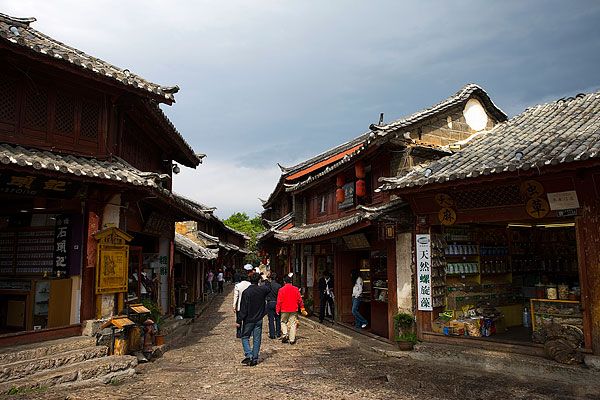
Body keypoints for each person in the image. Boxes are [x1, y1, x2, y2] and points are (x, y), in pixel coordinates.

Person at [236, 272, 270, 366]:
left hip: (249, 319)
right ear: (259, 280)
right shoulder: (262, 290)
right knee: (257, 338)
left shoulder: (247, 292)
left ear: (249, 280)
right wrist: (265, 279)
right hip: (259, 318)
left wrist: (239, 320)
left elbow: (243, 308)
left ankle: (249, 354)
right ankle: (255, 358)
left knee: (245, 337)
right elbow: (269, 287)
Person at [276, 273, 307, 345]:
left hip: (284, 309)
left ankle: (285, 333)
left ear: (284, 282)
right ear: (291, 282)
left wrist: (277, 309)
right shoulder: (295, 289)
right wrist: (302, 307)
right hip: (293, 309)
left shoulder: (281, 290)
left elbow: (279, 301)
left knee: (283, 322)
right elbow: (300, 300)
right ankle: (292, 339)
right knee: (293, 323)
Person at [233, 264, 253, 338]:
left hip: (239, 306)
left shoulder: (238, 285)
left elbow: (236, 296)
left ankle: (238, 333)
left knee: (239, 319)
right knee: (246, 320)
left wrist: (234, 306)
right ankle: (246, 332)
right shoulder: (250, 284)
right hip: (248, 305)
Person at [265, 272, 282, 339]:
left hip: (270, 302)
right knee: (278, 319)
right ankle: (278, 333)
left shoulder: (268, 285)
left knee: (271, 319)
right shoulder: (279, 286)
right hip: (277, 302)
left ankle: (272, 334)